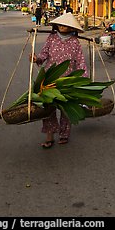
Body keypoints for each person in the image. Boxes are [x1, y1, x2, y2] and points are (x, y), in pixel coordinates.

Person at [30, 12, 88, 149]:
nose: (62, 27)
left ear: (72, 28)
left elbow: (80, 61)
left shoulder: (75, 41)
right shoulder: (52, 38)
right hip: (50, 78)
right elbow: (44, 54)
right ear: (56, 25)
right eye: (60, 24)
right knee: (48, 108)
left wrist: (84, 79)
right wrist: (36, 59)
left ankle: (64, 134)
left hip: (68, 80)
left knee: (65, 109)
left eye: (66, 25)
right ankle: (49, 136)